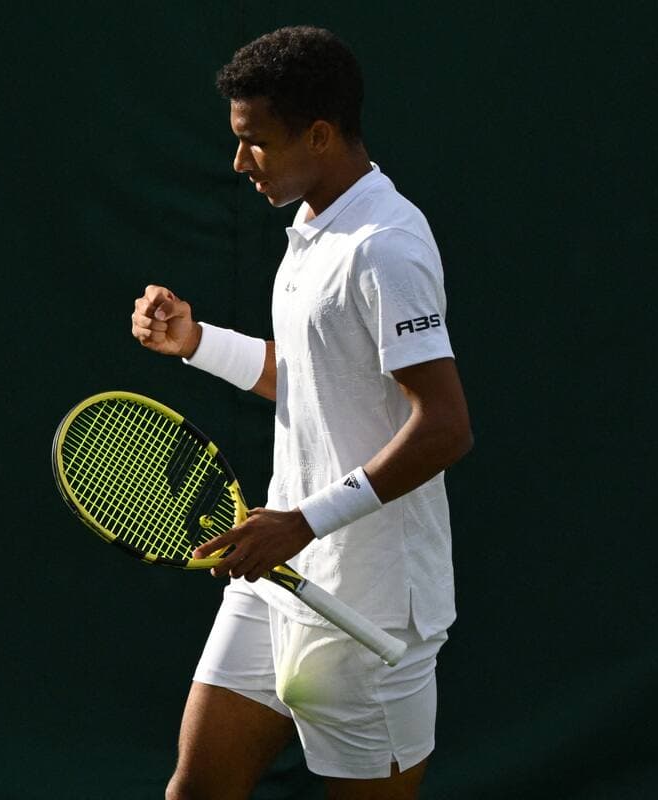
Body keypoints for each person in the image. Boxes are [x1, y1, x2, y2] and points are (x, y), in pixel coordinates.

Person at [131, 26, 473, 800]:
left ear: (319, 135)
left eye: (255, 143)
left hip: (373, 606)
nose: (238, 162)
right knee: (195, 790)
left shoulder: (385, 245)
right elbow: (320, 383)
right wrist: (198, 342)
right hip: (277, 577)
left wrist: (300, 521)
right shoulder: (313, 228)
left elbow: (446, 426)